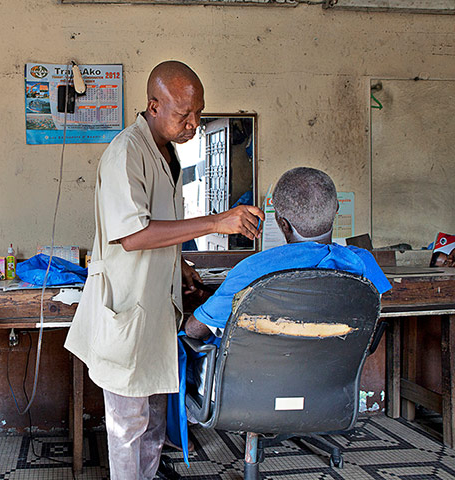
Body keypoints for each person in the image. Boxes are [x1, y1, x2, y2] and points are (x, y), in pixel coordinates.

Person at [64, 61, 264, 480]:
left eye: (198, 113)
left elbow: (156, 229)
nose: (193, 124)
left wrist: (180, 263)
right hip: (126, 312)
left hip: (155, 313)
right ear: (153, 106)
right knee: (127, 427)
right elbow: (133, 236)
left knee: (154, 424)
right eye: (183, 115)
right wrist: (215, 222)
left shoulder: (166, 152)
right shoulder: (126, 152)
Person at [177, 168, 392, 433]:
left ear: (282, 223)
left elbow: (194, 330)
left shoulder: (254, 268)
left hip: (247, 392)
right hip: (326, 387)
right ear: (336, 209)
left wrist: (206, 306)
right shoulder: (363, 264)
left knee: (183, 343)